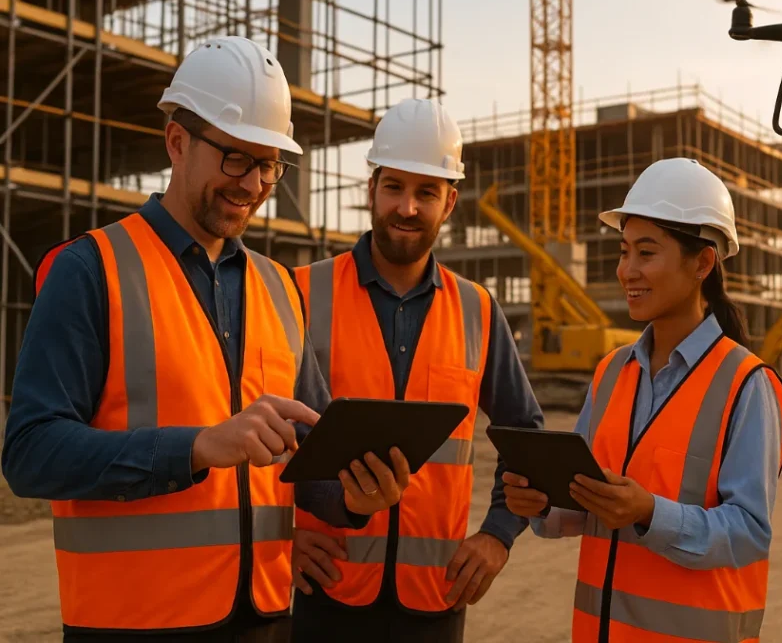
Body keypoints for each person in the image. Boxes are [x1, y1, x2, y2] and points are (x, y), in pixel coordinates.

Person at [1, 36, 394, 643]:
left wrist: (355, 497)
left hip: (263, 619)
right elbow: (29, 453)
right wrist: (196, 448)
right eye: (236, 158)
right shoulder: (91, 270)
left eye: (269, 165)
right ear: (177, 142)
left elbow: (309, 454)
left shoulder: (278, 288)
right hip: (133, 624)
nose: (254, 185)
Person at [287, 97, 545, 643]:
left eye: (426, 192)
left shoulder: (477, 310)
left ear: (449, 203)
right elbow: (256, 433)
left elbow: (527, 438)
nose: (407, 207)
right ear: (371, 189)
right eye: (394, 188)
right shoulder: (301, 294)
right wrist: (278, 534)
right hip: (323, 589)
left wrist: (498, 535)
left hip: (434, 598)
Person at [501, 157, 782, 643]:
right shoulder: (612, 372)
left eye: (646, 252)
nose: (627, 270)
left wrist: (648, 513)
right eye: (624, 251)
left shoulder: (747, 383)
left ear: (702, 263)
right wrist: (540, 505)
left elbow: (749, 532)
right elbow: (582, 504)